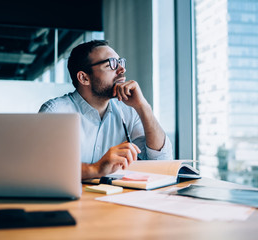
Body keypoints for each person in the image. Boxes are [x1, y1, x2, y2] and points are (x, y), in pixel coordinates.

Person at [39, 40, 172, 179]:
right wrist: (96, 169)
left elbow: (162, 161)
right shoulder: (55, 111)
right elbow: (43, 167)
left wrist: (144, 107)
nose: (122, 69)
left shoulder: (128, 111)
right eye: (111, 64)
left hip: (117, 198)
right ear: (84, 78)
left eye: (120, 62)